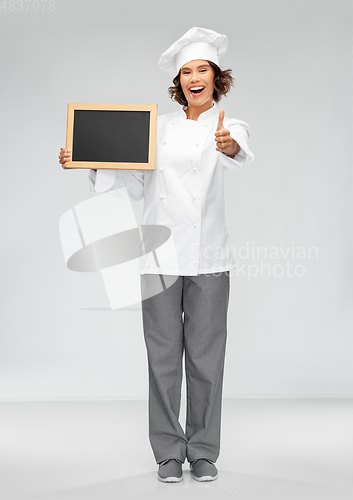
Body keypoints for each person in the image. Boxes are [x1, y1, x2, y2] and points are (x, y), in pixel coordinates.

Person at [59, 27, 254, 483]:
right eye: (186, 71)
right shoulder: (156, 128)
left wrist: (229, 145)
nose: (194, 78)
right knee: (162, 356)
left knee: (207, 358)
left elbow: (236, 149)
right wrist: (89, 158)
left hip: (209, 258)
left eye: (202, 69)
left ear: (216, 76)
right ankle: (168, 451)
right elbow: (133, 184)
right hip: (160, 259)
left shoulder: (230, 124)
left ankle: (203, 449)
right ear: (179, 82)